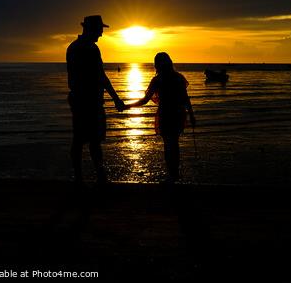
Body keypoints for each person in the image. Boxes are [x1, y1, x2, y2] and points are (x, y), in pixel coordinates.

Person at [66, 15, 125, 185]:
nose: (101, 34)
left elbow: (99, 76)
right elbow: (101, 76)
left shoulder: (76, 47)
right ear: (90, 29)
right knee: (86, 140)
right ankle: (93, 176)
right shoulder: (87, 49)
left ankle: (86, 177)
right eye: (99, 30)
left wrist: (114, 98)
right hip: (86, 101)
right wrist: (116, 99)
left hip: (83, 100)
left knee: (87, 139)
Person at [125, 52, 195, 183]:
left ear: (157, 64)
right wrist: (191, 114)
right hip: (178, 114)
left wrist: (127, 106)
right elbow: (186, 98)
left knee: (169, 145)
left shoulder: (157, 80)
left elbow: (145, 100)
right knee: (174, 144)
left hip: (166, 114)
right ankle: (175, 174)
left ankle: (172, 175)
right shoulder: (178, 77)